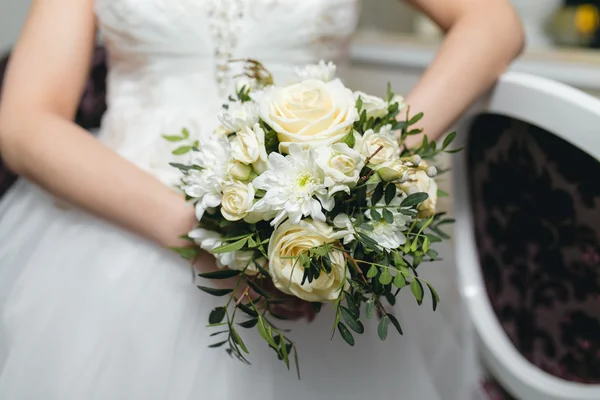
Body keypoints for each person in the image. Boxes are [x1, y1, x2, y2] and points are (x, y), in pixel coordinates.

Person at [0, 0, 524, 398]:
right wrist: (201, 234)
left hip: (312, 221)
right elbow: (24, 122)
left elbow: (493, 24)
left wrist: (374, 160)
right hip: (120, 225)